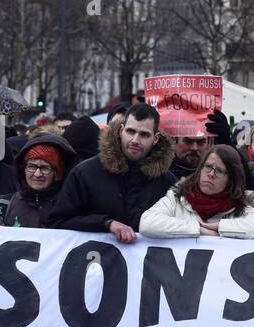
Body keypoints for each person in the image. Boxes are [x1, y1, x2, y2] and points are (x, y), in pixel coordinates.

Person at [49, 103, 176, 243]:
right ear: (121, 131)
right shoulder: (85, 173)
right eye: (131, 131)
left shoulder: (168, 183)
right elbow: (58, 223)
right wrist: (106, 224)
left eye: (144, 135)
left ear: (156, 139)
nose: (135, 140)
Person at [141, 144, 254, 239]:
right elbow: (147, 223)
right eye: (208, 167)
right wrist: (198, 229)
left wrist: (220, 227)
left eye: (220, 171)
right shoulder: (177, 197)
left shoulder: (239, 207)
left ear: (231, 179)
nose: (211, 174)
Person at [0, 134, 74, 228]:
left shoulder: (70, 208)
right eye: (32, 167)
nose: (37, 174)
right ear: (23, 169)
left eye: (45, 168)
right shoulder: (2, 205)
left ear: (58, 173)